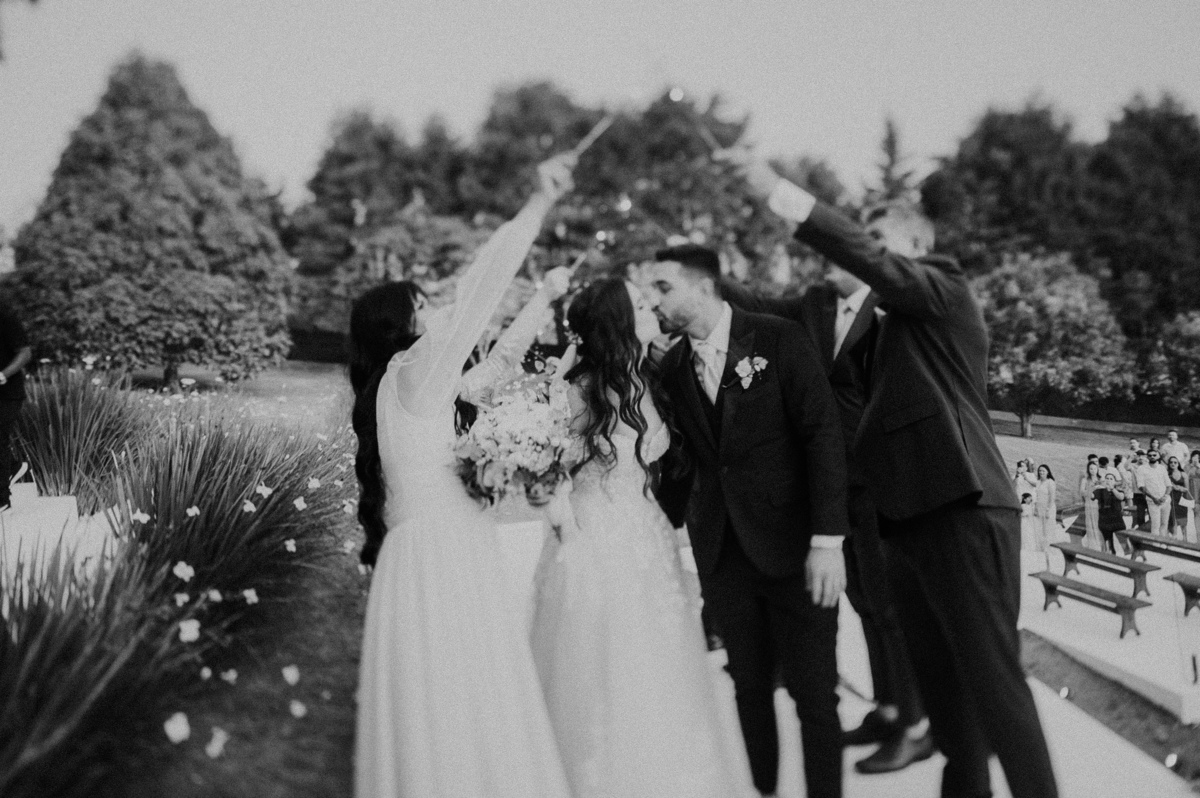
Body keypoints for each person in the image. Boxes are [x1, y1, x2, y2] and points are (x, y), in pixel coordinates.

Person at [724, 147, 1058, 798]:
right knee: (943, 691)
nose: (866, 251)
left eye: (879, 239)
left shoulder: (944, 286)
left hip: (963, 508)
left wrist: (775, 191)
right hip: (902, 524)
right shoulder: (884, 328)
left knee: (994, 686)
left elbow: (869, 260)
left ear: (917, 245)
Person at [349, 153, 576, 798]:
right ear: (401, 326)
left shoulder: (412, 388)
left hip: (423, 554)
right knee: (462, 695)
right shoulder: (414, 371)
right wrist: (537, 204)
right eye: (424, 306)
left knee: (448, 701)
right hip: (442, 554)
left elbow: (499, 365)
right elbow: (480, 288)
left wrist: (543, 298)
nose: (438, 312)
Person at [529, 277, 750, 798]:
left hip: (647, 532)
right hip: (596, 535)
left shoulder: (654, 371)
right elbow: (547, 466)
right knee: (606, 658)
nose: (651, 304)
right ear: (620, 319)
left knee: (661, 659)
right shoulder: (582, 386)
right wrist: (561, 517)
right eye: (640, 301)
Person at [647, 243, 850, 798]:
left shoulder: (778, 339)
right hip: (723, 557)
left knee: (815, 696)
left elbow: (823, 436)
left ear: (703, 286)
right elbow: (682, 463)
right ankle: (764, 791)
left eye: (663, 287)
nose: (652, 299)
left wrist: (828, 541)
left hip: (799, 553)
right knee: (749, 689)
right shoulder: (672, 368)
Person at [721, 266, 932, 774]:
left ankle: (917, 726)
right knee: (864, 604)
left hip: (884, 483)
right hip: (839, 486)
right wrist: (706, 274)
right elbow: (756, 303)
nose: (822, 258)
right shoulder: (816, 302)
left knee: (890, 610)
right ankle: (887, 709)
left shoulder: (894, 305)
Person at [0, 300, 31, 512]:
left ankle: (2, 500)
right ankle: (12, 466)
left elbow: (25, 353)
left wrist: (3, 374)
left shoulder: (6, 318)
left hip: (7, 394)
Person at [1138, 450, 1172, 537]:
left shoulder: (1162, 468)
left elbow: (1169, 485)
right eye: (1150, 455)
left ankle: (1163, 543)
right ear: (1147, 457)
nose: (1152, 457)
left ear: (1158, 456)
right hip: (1153, 502)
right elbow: (1141, 486)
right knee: (1155, 525)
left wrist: (1165, 496)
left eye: (1154, 455)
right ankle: (1155, 543)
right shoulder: (1142, 469)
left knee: (1164, 524)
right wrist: (1154, 498)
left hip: (1165, 501)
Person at [1094, 473, 1126, 555]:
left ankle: (1123, 551)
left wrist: (1112, 489)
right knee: (1107, 537)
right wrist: (1092, 487)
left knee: (1122, 535)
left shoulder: (1119, 491)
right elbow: (1091, 496)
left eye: (1111, 479)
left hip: (1116, 518)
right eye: (1107, 478)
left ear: (1115, 482)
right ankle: (1109, 551)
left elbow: (1121, 497)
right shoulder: (1100, 491)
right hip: (1104, 517)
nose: (1109, 480)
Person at [1035, 465, 1057, 558]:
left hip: (1048, 508)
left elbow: (1052, 497)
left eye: (1043, 471)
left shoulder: (1050, 482)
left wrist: (1048, 510)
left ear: (1047, 472)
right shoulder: (1038, 482)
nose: (1041, 472)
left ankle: (1048, 548)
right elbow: (1036, 495)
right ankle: (1041, 547)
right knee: (1040, 527)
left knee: (1048, 528)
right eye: (1040, 471)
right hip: (1039, 507)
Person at [1079, 461, 1103, 549]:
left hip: (1099, 503)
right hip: (1089, 503)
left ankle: (1100, 542)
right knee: (1090, 522)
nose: (1093, 470)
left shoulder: (1100, 479)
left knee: (1098, 522)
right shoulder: (1085, 480)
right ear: (1088, 470)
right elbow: (1082, 492)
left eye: (1094, 468)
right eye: (1091, 469)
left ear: (1097, 469)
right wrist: (1092, 489)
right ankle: (1092, 543)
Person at [1167, 456, 1190, 539]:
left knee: (1183, 520)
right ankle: (1174, 537)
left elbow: (1187, 489)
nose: (1173, 464)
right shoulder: (1167, 474)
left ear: (1178, 464)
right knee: (1173, 519)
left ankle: (1185, 539)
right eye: (1171, 462)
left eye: (1175, 462)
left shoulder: (1183, 474)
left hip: (1182, 499)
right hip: (1171, 498)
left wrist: (1178, 487)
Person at [1131, 450, 1150, 530]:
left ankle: (1150, 530)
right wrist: (1131, 457)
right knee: (1140, 514)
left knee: (1151, 513)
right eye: (1138, 456)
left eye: (1142, 455)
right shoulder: (1133, 466)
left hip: (1149, 493)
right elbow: (1125, 466)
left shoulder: (1149, 466)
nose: (1140, 457)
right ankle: (1141, 531)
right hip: (1138, 493)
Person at [1187, 451, 1200, 541]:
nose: (1195, 459)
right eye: (1194, 456)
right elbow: (1185, 478)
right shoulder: (1187, 467)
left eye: (1197, 457)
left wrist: (1198, 466)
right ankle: (1198, 537)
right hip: (1193, 493)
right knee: (1196, 513)